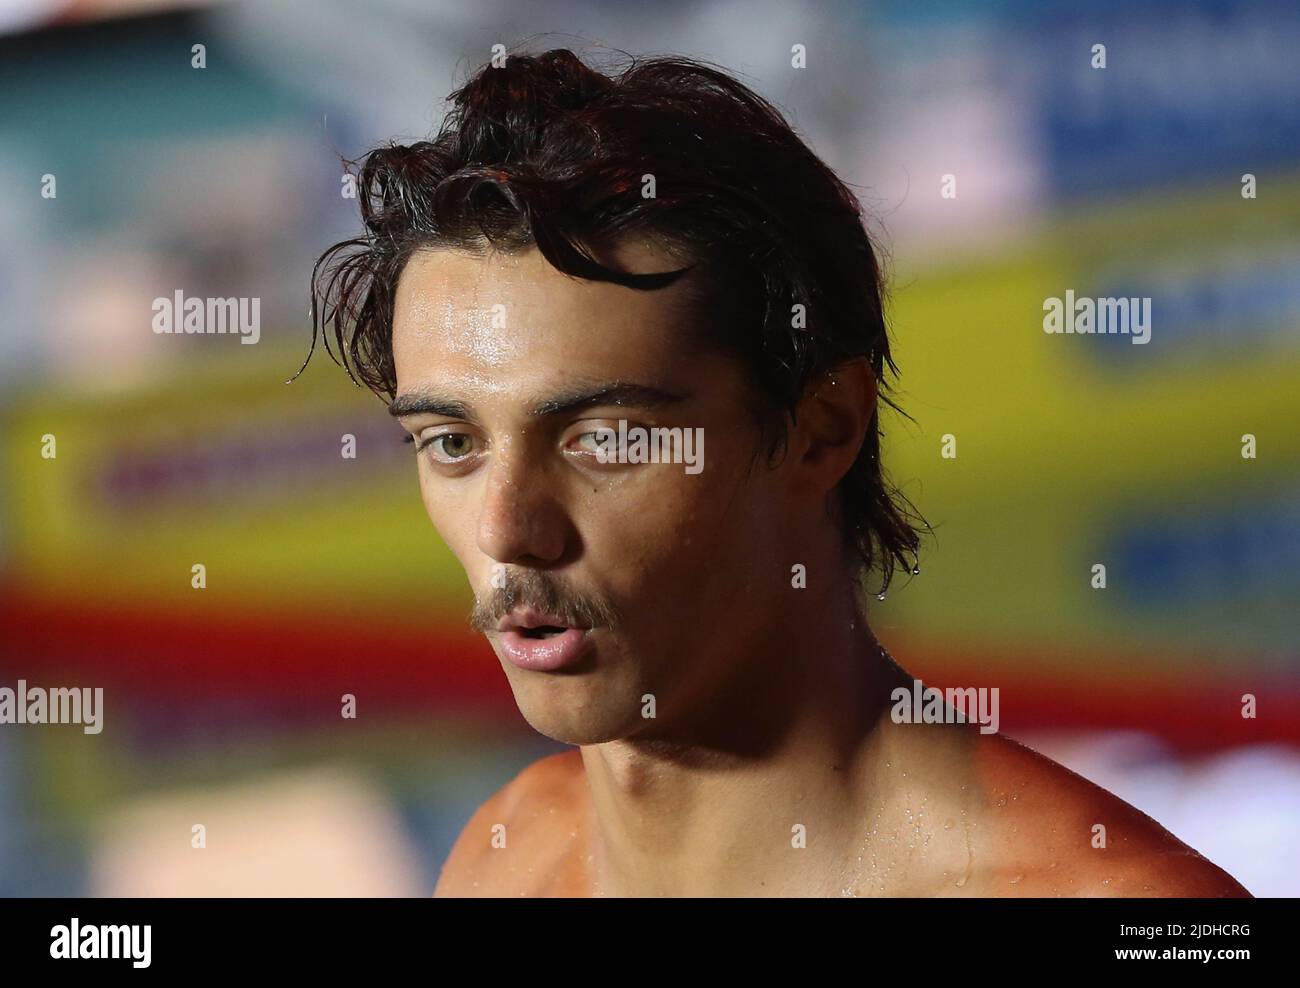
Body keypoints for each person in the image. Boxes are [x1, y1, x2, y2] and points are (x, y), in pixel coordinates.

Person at [307, 48, 1251, 897]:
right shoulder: (508, 857)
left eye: (604, 437)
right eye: (453, 445)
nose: (508, 530)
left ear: (820, 429)